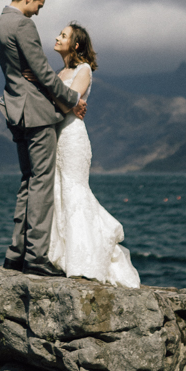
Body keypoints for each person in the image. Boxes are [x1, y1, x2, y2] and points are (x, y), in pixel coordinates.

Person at [0, 0, 85, 276]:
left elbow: (23, 70)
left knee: (27, 182)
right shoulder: (22, 25)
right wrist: (72, 99)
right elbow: (42, 71)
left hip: (14, 111)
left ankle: (14, 254)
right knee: (42, 184)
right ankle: (36, 258)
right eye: (39, 5)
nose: (38, 13)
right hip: (37, 114)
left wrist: (30, 73)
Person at [45, 23, 140, 287]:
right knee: (59, 191)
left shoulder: (83, 69)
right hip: (56, 138)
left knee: (75, 191)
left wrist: (67, 102)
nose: (57, 37)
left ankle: (83, 260)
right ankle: (61, 257)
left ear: (75, 44)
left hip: (73, 138)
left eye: (63, 35)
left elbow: (67, 103)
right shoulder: (59, 72)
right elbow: (66, 102)